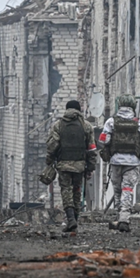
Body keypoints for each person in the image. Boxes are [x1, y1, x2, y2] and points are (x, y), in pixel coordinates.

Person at [99, 94, 140, 232]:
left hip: (115, 161)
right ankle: (124, 219)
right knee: (127, 189)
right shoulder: (139, 122)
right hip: (133, 162)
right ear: (132, 106)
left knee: (117, 191)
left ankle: (119, 217)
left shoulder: (111, 122)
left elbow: (103, 140)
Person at [46, 99, 96, 233]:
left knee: (66, 190)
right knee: (77, 191)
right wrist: (90, 167)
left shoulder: (58, 125)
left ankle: (70, 219)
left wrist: (49, 161)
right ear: (79, 110)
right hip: (80, 165)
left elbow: (52, 146)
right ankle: (75, 219)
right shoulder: (86, 126)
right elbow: (91, 149)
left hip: (63, 164)